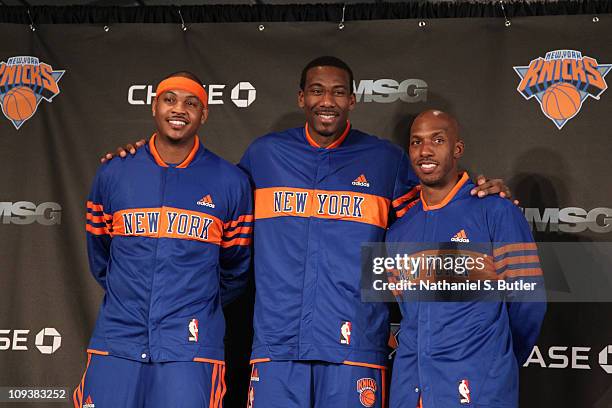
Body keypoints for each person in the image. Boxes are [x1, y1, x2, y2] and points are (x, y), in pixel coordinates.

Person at [103, 57, 512, 407]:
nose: (326, 101)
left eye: (337, 92)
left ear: (352, 100)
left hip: (355, 348)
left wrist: (482, 193)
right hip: (277, 349)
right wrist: (141, 161)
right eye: (317, 91)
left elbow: (435, 203)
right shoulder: (265, 155)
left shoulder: (385, 160)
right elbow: (210, 193)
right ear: (302, 98)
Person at [75, 71, 252, 408]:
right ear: (154, 106)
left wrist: (191, 305)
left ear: (205, 113)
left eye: (191, 103)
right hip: (118, 338)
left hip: (190, 345)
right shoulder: (114, 173)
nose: (179, 109)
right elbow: (101, 259)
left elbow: (234, 270)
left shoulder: (231, 182)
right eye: (169, 99)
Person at [385, 110, 546, 408]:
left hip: (478, 384)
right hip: (410, 387)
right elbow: (404, 308)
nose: (425, 151)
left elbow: (528, 303)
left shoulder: (496, 211)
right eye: (416, 142)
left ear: (457, 148)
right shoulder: (399, 231)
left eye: (437, 140)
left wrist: (498, 358)